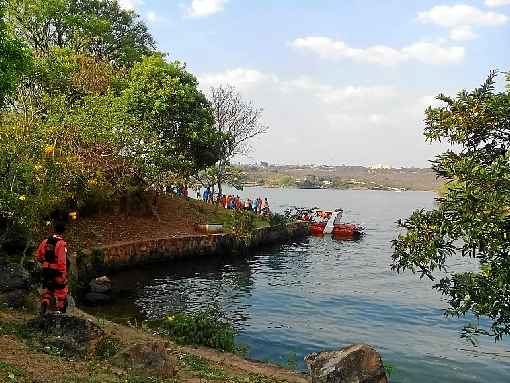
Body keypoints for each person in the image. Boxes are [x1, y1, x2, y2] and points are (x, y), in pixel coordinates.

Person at [35, 222, 69, 315]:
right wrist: (63, 273)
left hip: (46, 270)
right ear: (63, 232)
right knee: (61, 290)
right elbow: (62, 261)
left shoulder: (45, 241)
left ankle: (44, 304)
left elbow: (38, 256)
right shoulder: (61, 244)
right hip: (57, 270)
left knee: (48, 289)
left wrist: (45, 263)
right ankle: (61, 310)